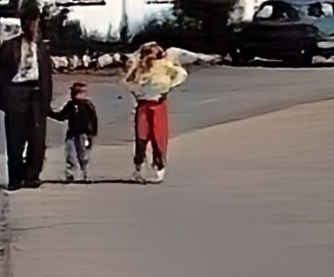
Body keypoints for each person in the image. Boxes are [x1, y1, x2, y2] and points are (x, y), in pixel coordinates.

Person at [122, 41, 217, 183]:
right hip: (144, 104)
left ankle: (159, 167)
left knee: (158, 136)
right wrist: (137, 92)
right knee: (142, 137)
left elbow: (180, 73)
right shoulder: (139, 67)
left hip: (159, 104)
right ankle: (139, 167)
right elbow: (128, 81)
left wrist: (168, 87)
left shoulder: (165, 65)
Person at [0, 15, 54, 191]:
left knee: (37, 138)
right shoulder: (9, 46)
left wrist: (46, 101)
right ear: (26, 26)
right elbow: (1, 74)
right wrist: (4, 99)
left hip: (36, 93)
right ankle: (15, 178)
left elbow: (47, 77)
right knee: (15, 138)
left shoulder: (42, 49)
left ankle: (32, 175)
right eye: (34, 27)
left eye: (38, 27)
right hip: (16, 91)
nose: (36, 31)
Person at [49, 81, 100, 183]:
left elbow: (94, 119)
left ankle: (85, 173)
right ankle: (70, 173)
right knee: (70, 153)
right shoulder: (70, 105)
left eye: (81, 92)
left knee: (83, 154)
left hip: (84, 133)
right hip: (72, 132)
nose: (77, 95)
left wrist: (93, 133)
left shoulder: (88, 105)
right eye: (75, 92)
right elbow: (62, 116)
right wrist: (49, 113)